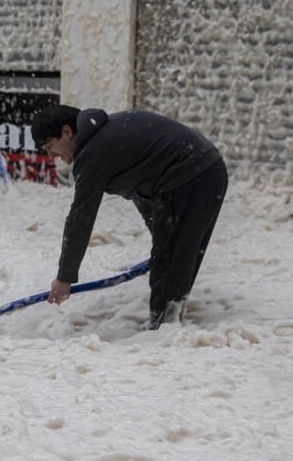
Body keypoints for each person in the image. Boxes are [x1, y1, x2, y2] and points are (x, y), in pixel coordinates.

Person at [32, 105, 228, 330]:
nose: (51, 156)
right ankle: (168, 327)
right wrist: (160, 240)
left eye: (50, 147)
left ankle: (163, 338)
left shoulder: (93, 151)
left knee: (169, 274)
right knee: (173, 265)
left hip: (190, 178)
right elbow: (142, 192)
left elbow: (81, 217)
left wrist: (64, 277)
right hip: (208, 172)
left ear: (67, 132)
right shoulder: (107, 135)